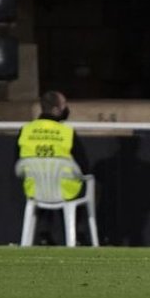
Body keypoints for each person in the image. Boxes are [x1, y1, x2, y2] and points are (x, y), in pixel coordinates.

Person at [16, 91, 90, 245]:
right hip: (66, 190)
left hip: (35, 189)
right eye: (64, 106)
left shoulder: (26, 130)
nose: (66, 109)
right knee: (86, 184)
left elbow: (18, 163)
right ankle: (78, 235)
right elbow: (84, 166)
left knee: (44, 182)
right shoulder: (67, 132)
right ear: (57, 110)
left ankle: (43, 234)